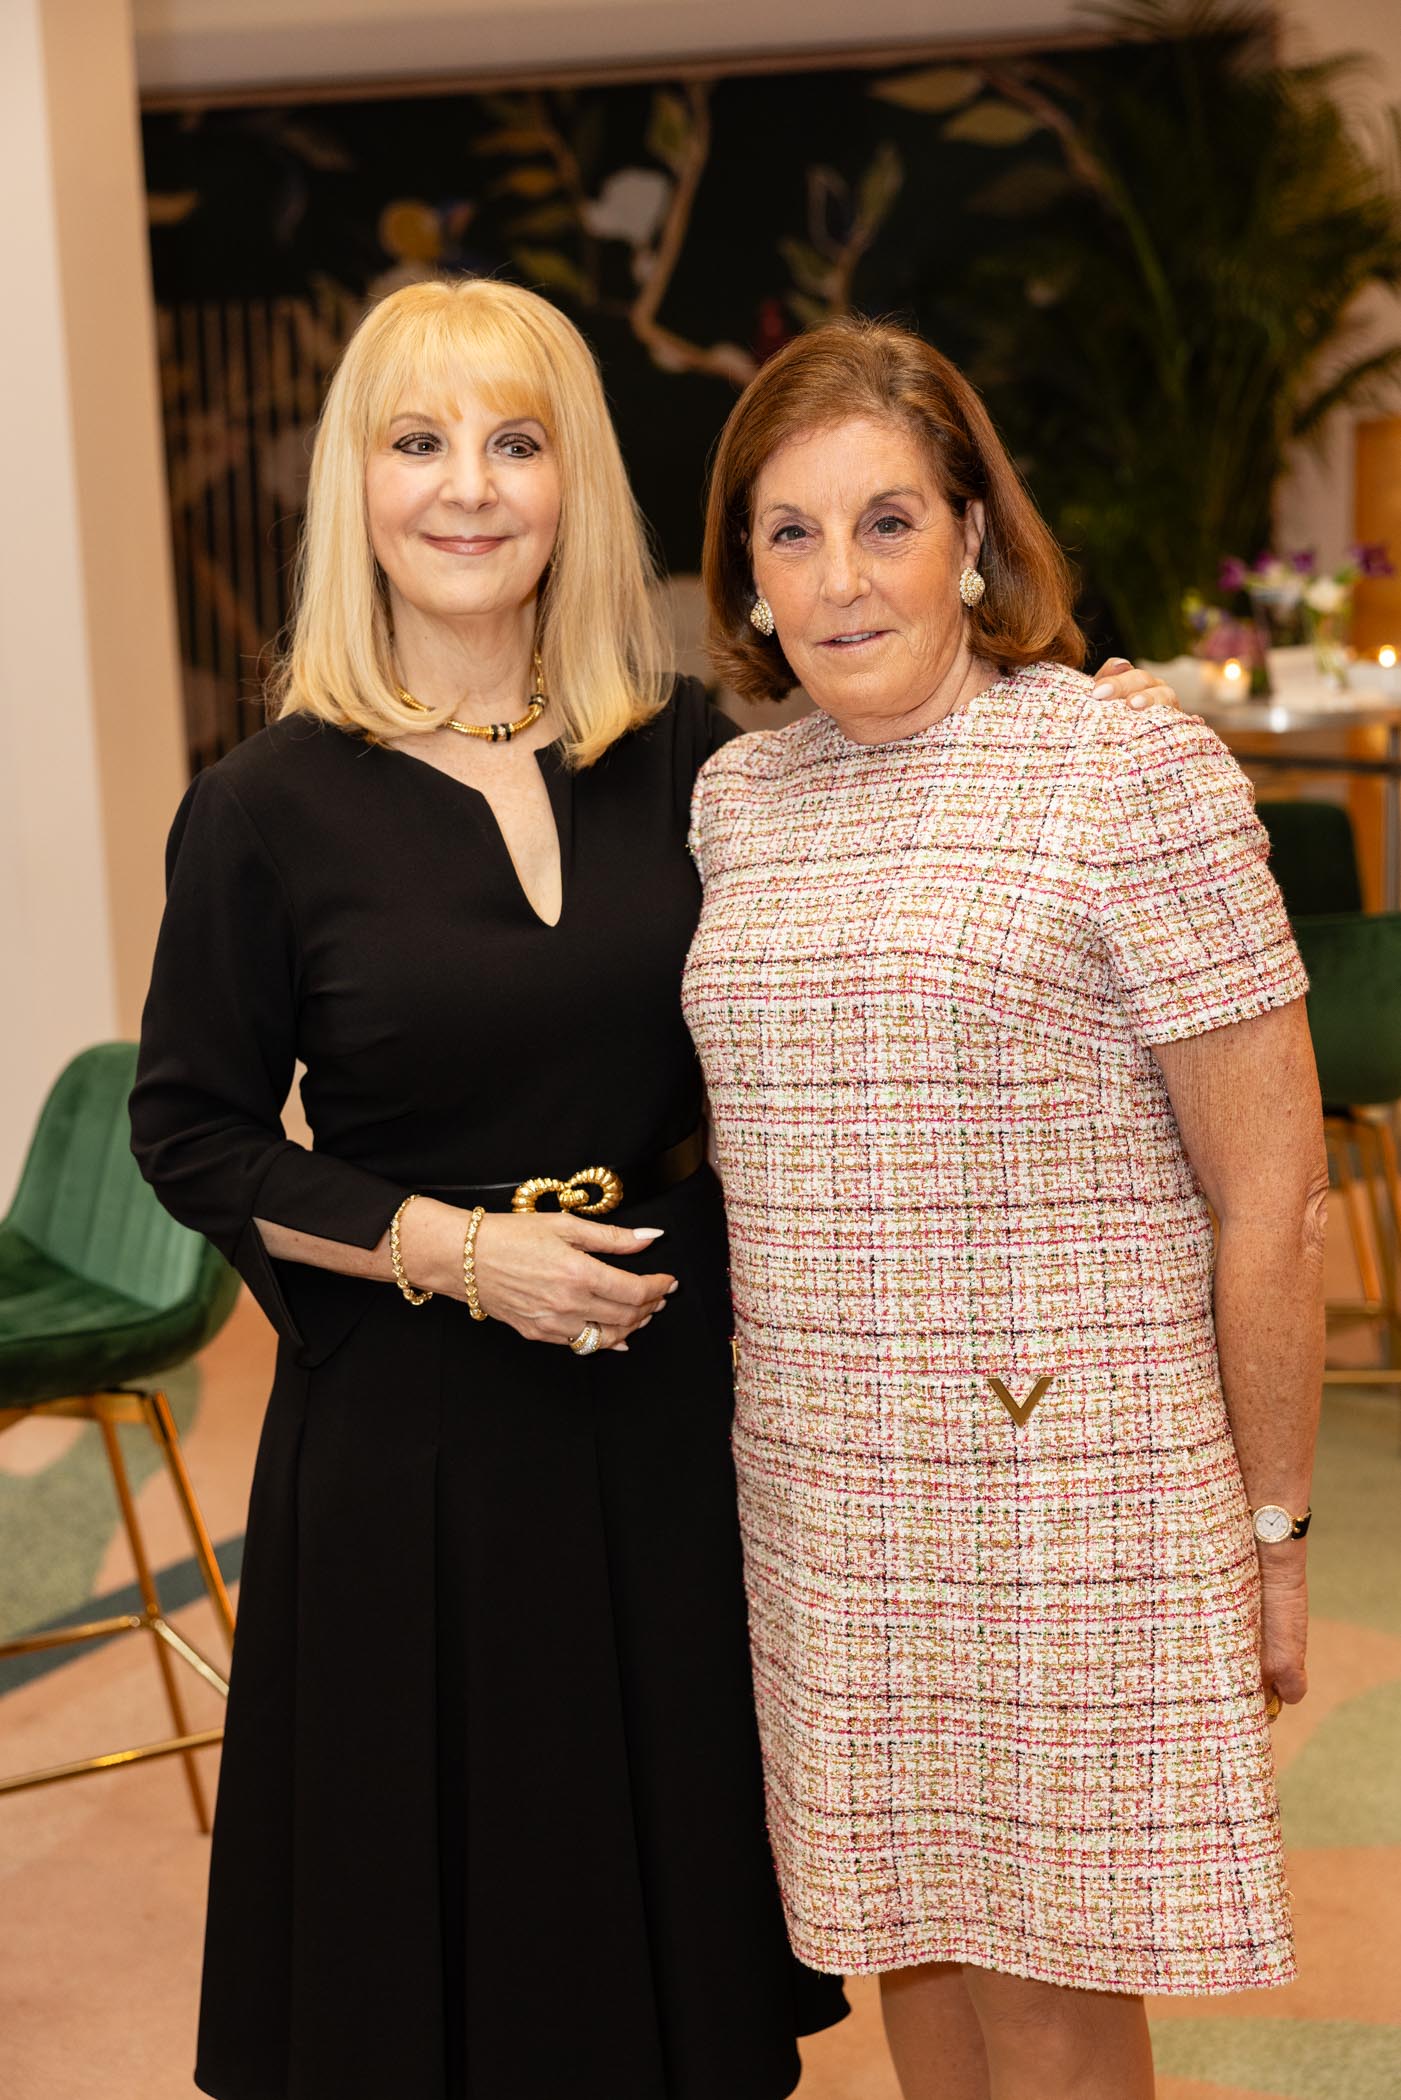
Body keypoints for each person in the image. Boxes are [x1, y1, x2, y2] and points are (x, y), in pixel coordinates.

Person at [131, 276, 1170, 2100]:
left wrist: (1080, 721)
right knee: (441, 1947)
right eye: (419, 441)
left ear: (576, 486)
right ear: (355, 485)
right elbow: (194, 1132)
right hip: (412, 1442)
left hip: (675, 1423)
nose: (469, 487)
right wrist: (460, 1254)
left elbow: (909, 798)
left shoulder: (694, 759)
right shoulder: (263, 808)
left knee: (667, 1933)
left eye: (515, 442)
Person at [684, 316, 1326, 2100]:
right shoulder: (738, 800)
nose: (840, 578)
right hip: (823, 1492)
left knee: (1048, 1987)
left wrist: (1273, 1531)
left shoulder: (1123, 772)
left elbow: (1272, 1197)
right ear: (745, 572)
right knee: (903, 1939)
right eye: (791, 532)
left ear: (972, 535)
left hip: (1066, 1494)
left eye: (886, 521)